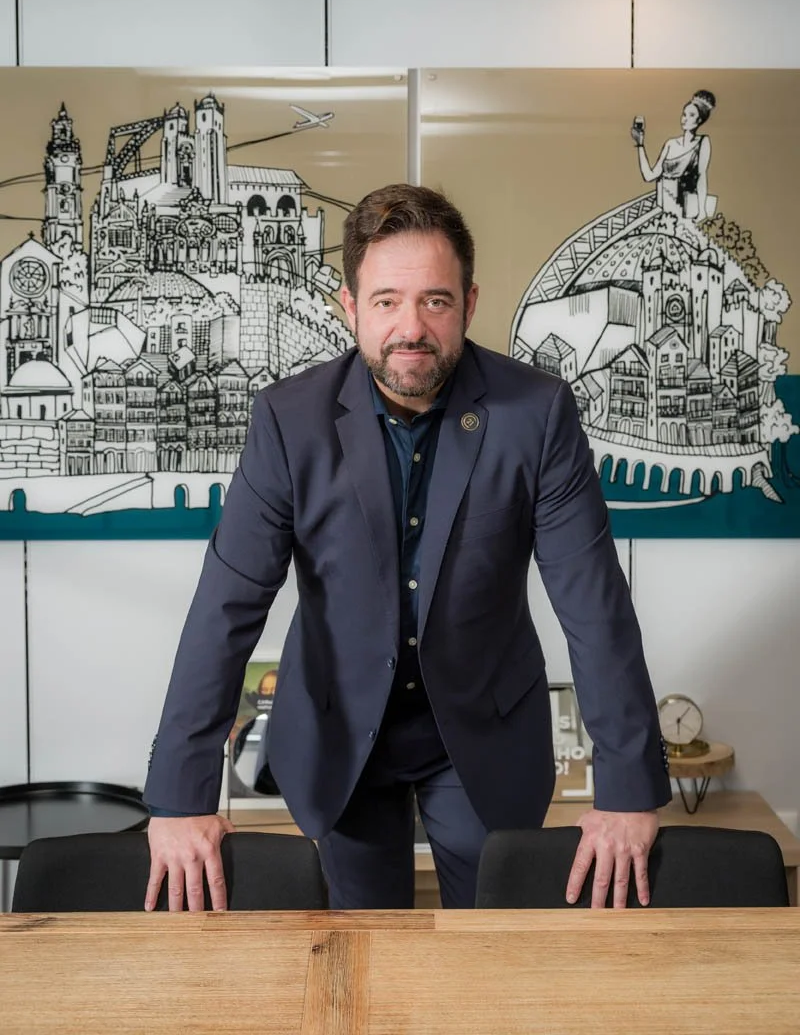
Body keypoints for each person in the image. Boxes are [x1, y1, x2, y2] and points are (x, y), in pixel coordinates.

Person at [143, 183, 671, 913]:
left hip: (484, 728)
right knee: (362, 957)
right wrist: (178, 795)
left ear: (470, 303)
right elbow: (225, 606)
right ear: (349, 306)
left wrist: (629, 787)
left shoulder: (538, 414)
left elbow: (594, 604)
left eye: (435, 300)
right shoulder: (288, 421)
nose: (411, 327)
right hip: (337, 731)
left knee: (492, 958)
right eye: (387, 301)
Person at [632, 89, 717, 221]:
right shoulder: (670, 144)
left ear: (699, 119)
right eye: (684, 114)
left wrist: (702, 211)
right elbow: (649, 176)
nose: (685, 119)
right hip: (663, 209)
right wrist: (640, 144)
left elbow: (701, 176)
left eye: (691, 115)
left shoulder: (702, 142)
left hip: (685, 210)